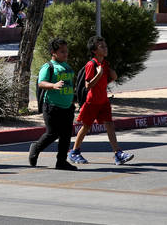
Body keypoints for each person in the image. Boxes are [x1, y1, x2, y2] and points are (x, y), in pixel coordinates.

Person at [67, 37, 134, 166]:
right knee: (86, 126)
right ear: (94, 51)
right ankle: (74, 151)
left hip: (103, 101)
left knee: (110, 125)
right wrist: (98, 74)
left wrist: (112, 76)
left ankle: (118, 153)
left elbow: (103, 82)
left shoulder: (105, 63)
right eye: (101, 46)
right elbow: (88, 85)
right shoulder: (91, 64)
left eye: (105, 46)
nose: (105, 48)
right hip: (92, 102)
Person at [28, 38, 77, 171]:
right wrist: (53, 85)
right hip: (52, 106)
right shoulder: (48, 66)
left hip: (67, 107)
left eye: (66, 51)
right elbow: (41, 83)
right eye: (62, 51)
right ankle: (36, 148)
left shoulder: (66, 66)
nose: (65, 54)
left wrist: (72, 99)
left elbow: (69, 84)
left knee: (66, 135)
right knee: (53, 133)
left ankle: (61, 162)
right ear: (53, 52)